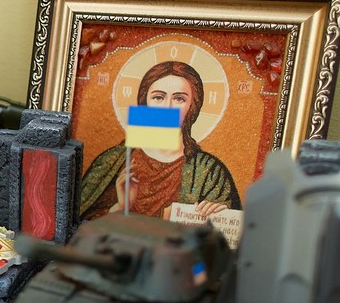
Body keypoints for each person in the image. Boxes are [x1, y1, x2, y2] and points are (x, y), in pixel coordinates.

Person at [79, 60, 241, 220]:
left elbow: (228, 231)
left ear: (192, 107)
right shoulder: (113, 161)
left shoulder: (209, 172)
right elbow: (79, 224)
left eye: (179, 99)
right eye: (158, 97)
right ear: (145, 102)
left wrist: (220, 218)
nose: (167, 107)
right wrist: (120, 207)